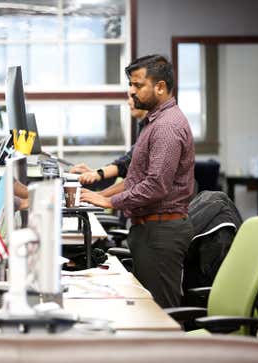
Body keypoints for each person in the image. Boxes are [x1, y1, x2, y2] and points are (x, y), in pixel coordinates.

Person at [80, 55, 195, 308]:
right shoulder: (153, 123)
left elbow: (155, 185)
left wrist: (109, 200)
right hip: (150, 229)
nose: (131, 91)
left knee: (161, 314)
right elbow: (135, 176)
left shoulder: (166, 127)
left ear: (160, 87)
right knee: (148, 309)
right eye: (130, 84)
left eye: (138, 85)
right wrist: (101, 198)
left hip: (161, 232)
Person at [70, 95, 147, 191]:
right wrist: (95, 172)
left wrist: (98, 175)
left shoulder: (155, 128)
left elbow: (128, 166)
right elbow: (127, 161)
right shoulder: (144, 127)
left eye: (133, 96)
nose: (129, 102)